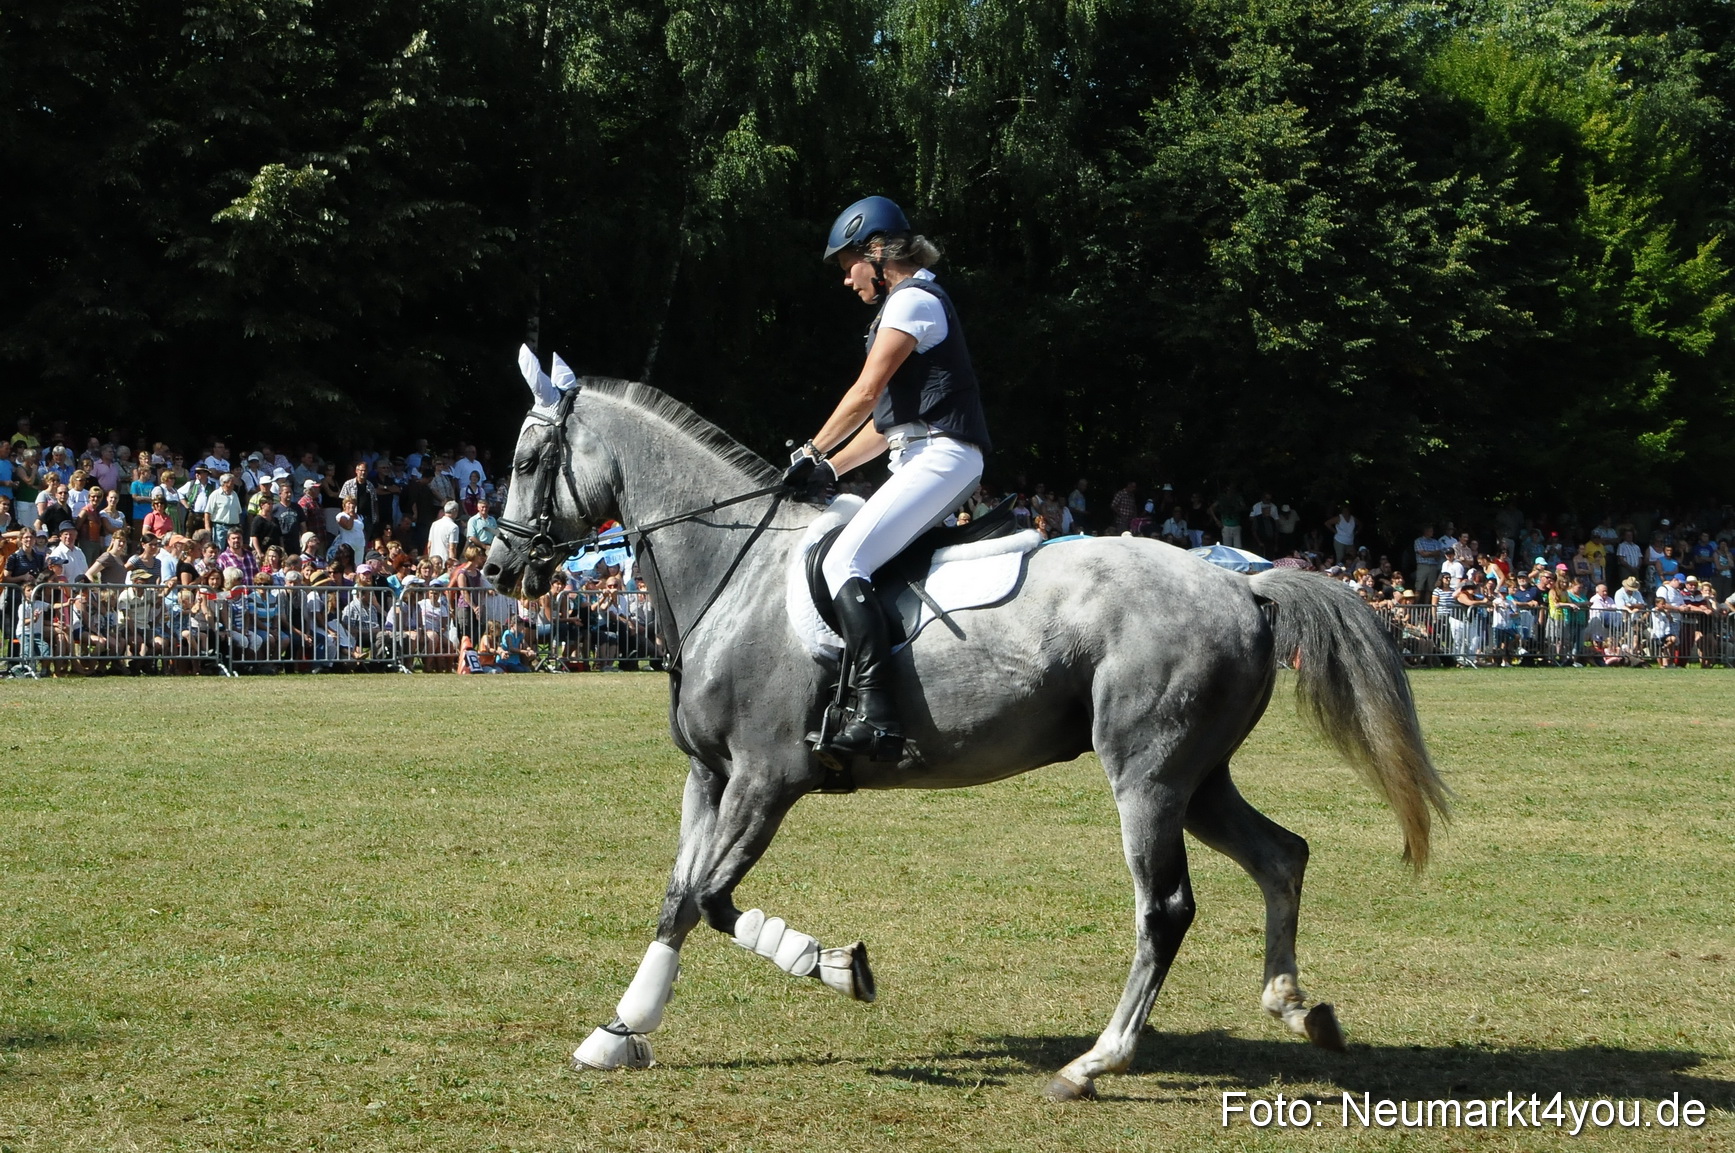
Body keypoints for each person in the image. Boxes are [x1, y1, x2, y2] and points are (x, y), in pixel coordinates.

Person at [781, 195, 990, 761]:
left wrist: (809, 448)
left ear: (875, 251)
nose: (847, 280)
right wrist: (826, 466)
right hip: (917, 451)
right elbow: (884, 424)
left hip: (944, 455)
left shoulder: (913, 300)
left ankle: (878, 716)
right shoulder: (901, 305)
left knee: (842, 561)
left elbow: (865, 392)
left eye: (847, 264)